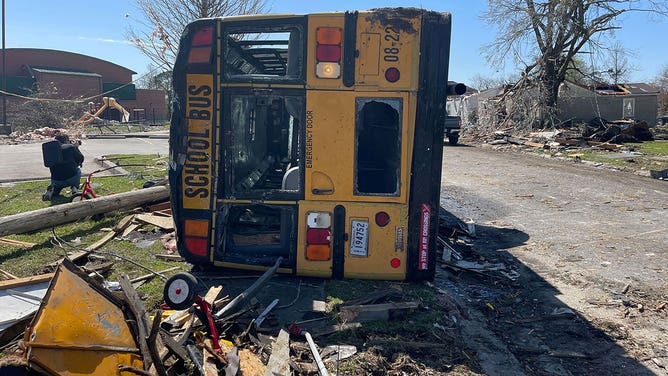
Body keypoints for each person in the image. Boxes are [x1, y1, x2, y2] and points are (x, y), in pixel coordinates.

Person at [42, 134, 84, 201]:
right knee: (78, 170)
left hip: (56, 179)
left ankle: (52, 190)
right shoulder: (70, 147)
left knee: (56, 189)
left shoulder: (50, 150)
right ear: (66, 140)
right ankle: (74, 187)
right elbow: (81, 159)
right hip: (72, 177)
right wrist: (76, 147)